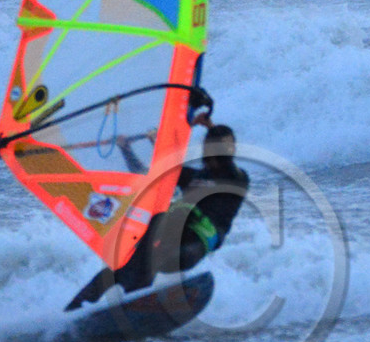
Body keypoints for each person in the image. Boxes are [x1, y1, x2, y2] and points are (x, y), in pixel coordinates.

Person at [65, 121, 249, 311]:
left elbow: (224, 160)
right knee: (115, 271)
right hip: (168, 240)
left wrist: (208, 127)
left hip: (193, 246)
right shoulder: (193, 176)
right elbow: (146, 173)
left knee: (160, 220)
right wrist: (126, 149)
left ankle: (137, 293)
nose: (212, 157)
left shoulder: (236, 178)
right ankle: (71, 314)